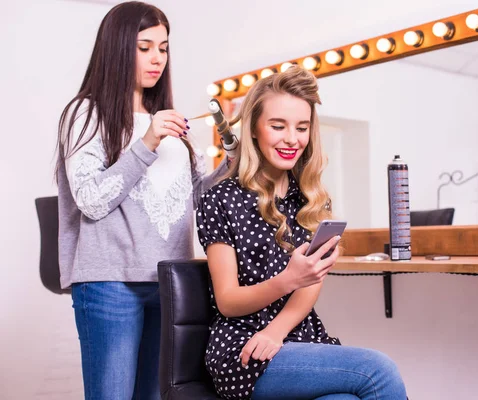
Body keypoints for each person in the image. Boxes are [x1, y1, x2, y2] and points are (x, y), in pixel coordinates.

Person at [197, 66, 407, 400]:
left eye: (302, 127)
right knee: (378, 370)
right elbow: (227, 301)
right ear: (253, 129)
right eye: (278, 126)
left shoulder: (311, 198)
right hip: (243, 348)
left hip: (296, 337)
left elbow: (311, 286)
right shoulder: (221, 198)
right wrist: (288, 280)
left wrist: (277, 331)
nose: (292, 139)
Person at [55, 2, 227, 399]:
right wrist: (147, 140)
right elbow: (91, 201)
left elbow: (199, 197)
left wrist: (231, 165)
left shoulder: (173, 124)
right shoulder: (85, 114)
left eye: (163, 48)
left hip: (172, 282)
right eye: (145, 47)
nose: (157, 59)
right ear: (117, 47)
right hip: (110, 284)